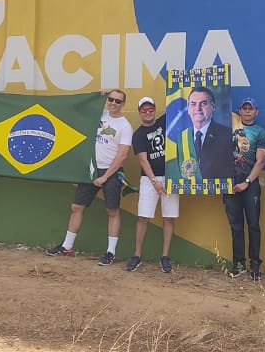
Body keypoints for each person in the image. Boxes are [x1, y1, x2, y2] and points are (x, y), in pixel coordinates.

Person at [46, 90, 133, 265]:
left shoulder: (125, 126)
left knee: (112, 211)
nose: (113, 103)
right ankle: (67, 246)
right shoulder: (98, 115)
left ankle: (110, 252)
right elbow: (76, 108)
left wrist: (106, 176)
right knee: (77, 207)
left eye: (118, 101)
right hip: (92, 170)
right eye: (111, 99)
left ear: (123, 104)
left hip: (111, 172)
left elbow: (123, 155)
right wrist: (97, 95)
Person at [126, 97, 177, 273]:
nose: (148, 113)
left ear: (155, 110)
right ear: (139, 113)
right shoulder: (138, 134)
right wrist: (154, 181)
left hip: (171, 176)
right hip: (149, 180)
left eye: (150, 110)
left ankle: (165, 256)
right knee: (143, 217)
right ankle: (137, 254)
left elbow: (179, 103)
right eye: (144, 110)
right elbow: (143, 160)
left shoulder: (164, 121)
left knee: (168, 217)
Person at [224, 97, 265, 280]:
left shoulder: (260, 132)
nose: (248, 111)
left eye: (251, 108)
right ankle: (238, 263)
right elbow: (217, 107)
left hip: (249, 183)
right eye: (245, 108)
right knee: (235, 226)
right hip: (229, 182)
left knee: (253, 225)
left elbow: (260, 161)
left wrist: (247, 182)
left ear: (256, 112)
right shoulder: (231, 125)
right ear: (240, 111)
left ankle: (255, 264)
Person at [187, 86, 234, 179]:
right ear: (188, 108)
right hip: (189, 192)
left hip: (218, 191)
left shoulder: (227, 135)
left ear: (212, 106)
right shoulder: (182, 139)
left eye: (203, 103)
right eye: (193, 104)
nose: (198, 108)